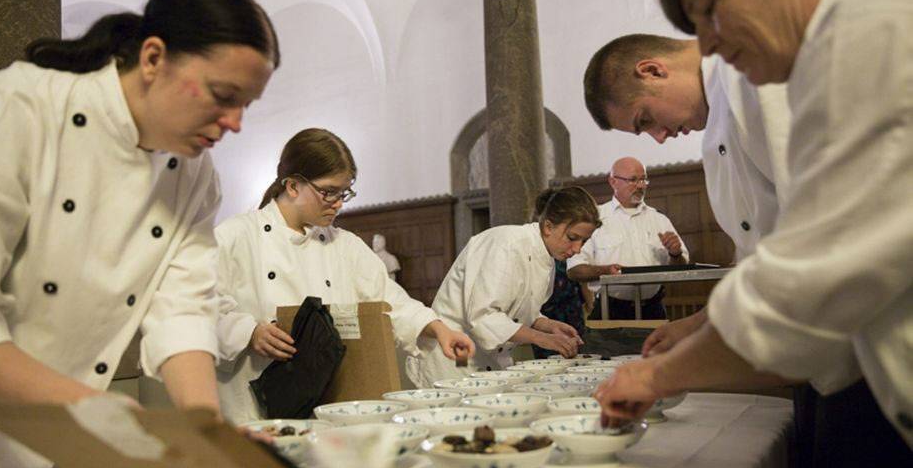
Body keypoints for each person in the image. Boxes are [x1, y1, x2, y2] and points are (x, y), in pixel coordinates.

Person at [597, 0, 911, 468]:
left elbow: (817, 268)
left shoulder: (866, 31)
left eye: (711, 9)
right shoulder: (828, 46)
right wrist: (699, 327)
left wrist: (661, 376)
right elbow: (777, 257)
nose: (709, 45)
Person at [0, 0, 279, 468]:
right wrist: (96, 409)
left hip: (41, 461)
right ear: (153, 58)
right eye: (224, 96)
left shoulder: (195, 177)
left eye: (247, 104)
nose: (235, 123)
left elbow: (183, 312)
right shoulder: (13, 111)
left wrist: (207, 431)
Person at [214, 128, 475, 423]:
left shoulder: (345, 245)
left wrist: (439, 329)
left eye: (344, 192)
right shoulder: (236, 236)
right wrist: (249, 332)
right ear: (293, 186)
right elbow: (198, 309)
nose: (338, 202)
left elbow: (388, 300)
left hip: (328, 399)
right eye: (328, 192)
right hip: (253, 404)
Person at [582, 32, 790, 352]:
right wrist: (701, 323)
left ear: (652, 71)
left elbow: (815, 224)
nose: (660, 137)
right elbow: (758, 255)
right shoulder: (713, 134)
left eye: (646, 119)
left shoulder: (753, 74)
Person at [407, 186, 601, 388]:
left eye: (584, 241)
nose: (577, 249)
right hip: (454, 356)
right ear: (548, 227)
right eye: (572, 238)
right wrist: (541, 338)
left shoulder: (546, 257)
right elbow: (483, 317)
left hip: (487, 359)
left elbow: (520, 311)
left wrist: (549, 326)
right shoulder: (506, 245)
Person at [567, 157, 688, 320]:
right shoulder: (594, 218)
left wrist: (675, 254)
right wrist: (606, 271)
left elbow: (681, 269)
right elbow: (574, 270)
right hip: (610, 310)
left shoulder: (659, 220)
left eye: (643, 180)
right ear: (613, 182)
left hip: (653, 309)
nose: (640, 186)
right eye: (633, 180)